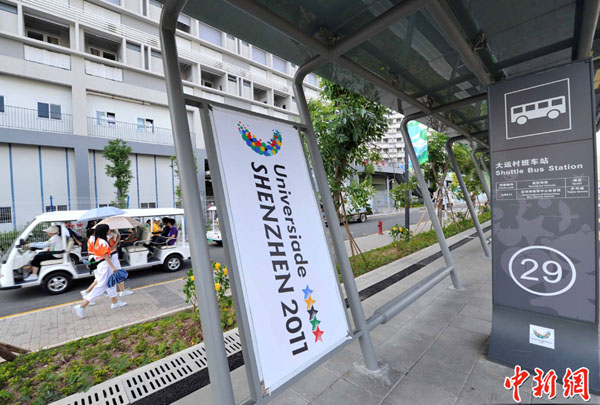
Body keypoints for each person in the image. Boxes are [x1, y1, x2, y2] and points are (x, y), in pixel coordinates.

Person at [74, 224, 126, 318]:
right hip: (105, 265)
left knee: (111, 283)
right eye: (108, 229)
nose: (110, 230)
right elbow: (106, 255)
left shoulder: (99, 240)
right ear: (105, 231)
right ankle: (82, 306)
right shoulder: (102, 242)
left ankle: (115, 302)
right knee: (102, 286)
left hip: (102, 265)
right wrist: (113, 267)